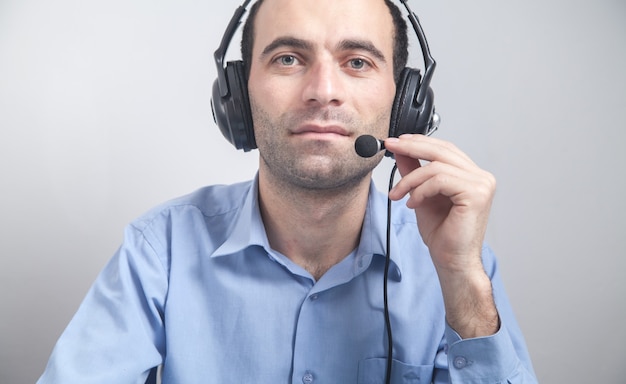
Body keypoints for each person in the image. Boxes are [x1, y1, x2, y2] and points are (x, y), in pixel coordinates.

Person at [38, 0, 537, 382]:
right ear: (236, 93)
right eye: (288, 58)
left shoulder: (458, 264)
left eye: (358, 62)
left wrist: (462, 281)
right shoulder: (160, 250)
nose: (323, 89)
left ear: (407, 104)